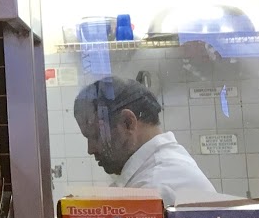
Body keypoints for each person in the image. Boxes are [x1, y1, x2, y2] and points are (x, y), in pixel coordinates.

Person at [71, 77, 235, 206]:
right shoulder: (158, 172)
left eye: (96, 136)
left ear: (128, 122)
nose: (90, 149)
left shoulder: (156, 186)